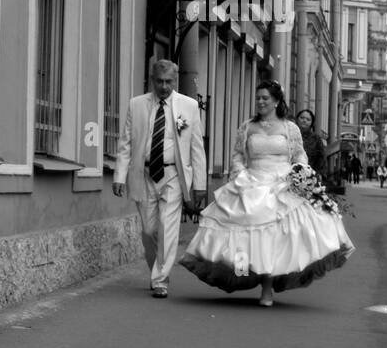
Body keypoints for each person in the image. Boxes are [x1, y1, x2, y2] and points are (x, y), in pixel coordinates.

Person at [179, 80, 354, 306]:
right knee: (245, 234)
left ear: (276, 102)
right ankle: (244, 272)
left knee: (275, 238)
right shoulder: (248, 127)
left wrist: (299, 173)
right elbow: (238, 156)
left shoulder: (290, 128)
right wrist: (239, 175)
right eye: (258, 98)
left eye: (265, 98)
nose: (260, 102)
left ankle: (267, 289)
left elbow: (299, 156)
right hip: (251, 181)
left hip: (282, 184)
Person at [113, 59, 207, 299]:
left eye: (168, 82)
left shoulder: (189, 106)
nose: (164, 87)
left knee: (167, 227)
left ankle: (161, 279)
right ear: (151, 80)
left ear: (174, 81)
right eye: (159, 81)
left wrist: (200, 185)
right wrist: (119, 175)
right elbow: (126, 142)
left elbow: (197, 147)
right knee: (148, 230)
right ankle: (157, 269)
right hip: (143, 174)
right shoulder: (137, 105)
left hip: (173, 175)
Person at [295, 109, 325, 179]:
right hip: (289, 174)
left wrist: (319, 174)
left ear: (312, 123)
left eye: (308, 119)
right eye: (302, 118)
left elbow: (321, 158)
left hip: (309, 176)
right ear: (297, 119)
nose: (304, 121)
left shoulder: (316, 138)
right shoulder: (290, 134)